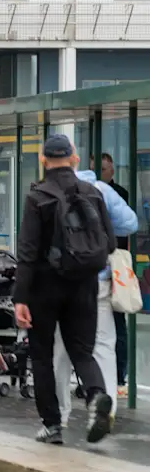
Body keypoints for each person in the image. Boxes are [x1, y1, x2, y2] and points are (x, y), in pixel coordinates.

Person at [14, 135, 116, 445]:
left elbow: (28, 253)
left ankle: (52, 425)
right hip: (84, 284)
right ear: (73, 156)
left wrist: (20, 298)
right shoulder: (92, 192)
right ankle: (97, 395)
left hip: (44, 288)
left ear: (43, 160)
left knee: (42, 355)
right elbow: (109, 243)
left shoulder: (37, 197)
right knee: (82, 351)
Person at [48, 162, 137, 428]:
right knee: (103, 346)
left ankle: (59, 415)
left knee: (60, 351)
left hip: (63, 282)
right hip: (98, 280)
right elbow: (130, 223)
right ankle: (105, 410)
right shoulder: (101, 190)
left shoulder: (50, 193)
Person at [101, 153, 132, 399]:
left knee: (118, 322)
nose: (101, 174)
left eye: (104, 169)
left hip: (115, 266)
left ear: (112, 170)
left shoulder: (119, 194)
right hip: (97, 268)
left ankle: (120, 376)